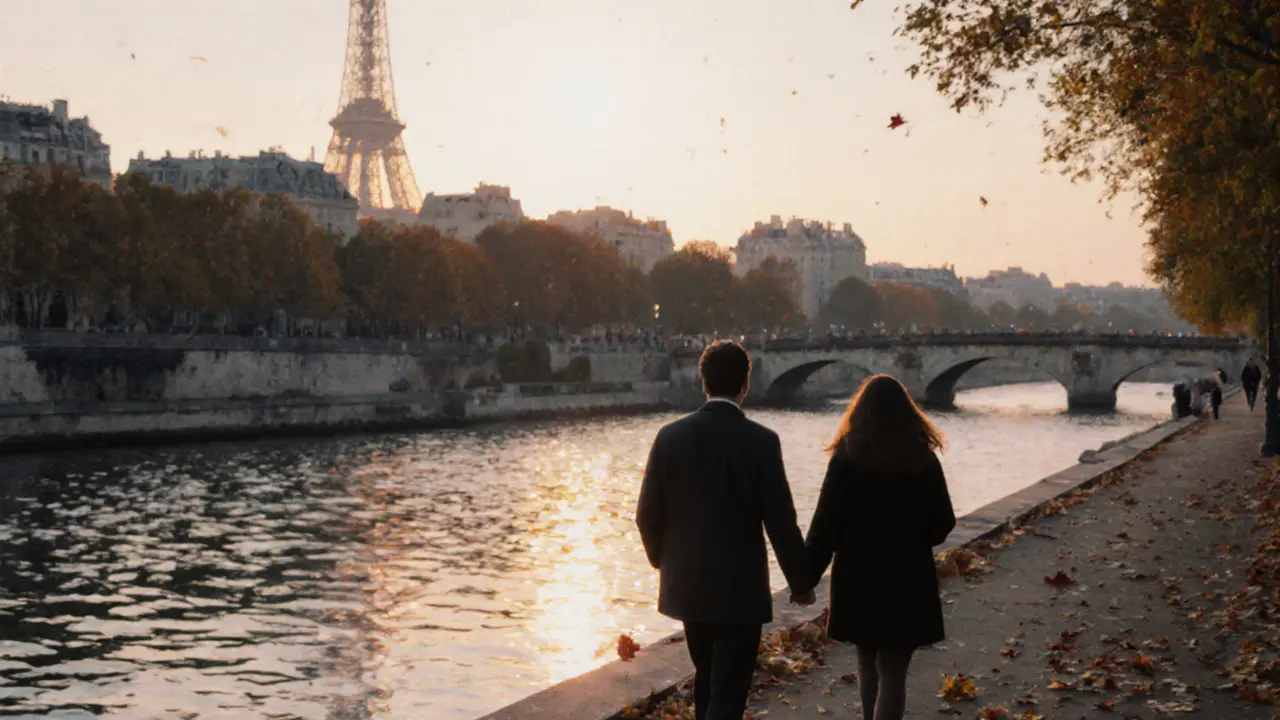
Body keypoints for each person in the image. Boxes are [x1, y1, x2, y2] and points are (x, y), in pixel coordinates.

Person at [636, 340, 816, 720]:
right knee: (729, 690)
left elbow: (647, 514)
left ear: (703, 383)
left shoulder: (669, 438)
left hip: (687, 584)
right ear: (745, 385)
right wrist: (800, 582)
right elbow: (780, 520)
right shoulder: (762, 442)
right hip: (739, 590)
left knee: (707, 677)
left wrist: (664, 562)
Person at [800, 375, 956, 720]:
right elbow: (943, 521)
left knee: (867, 664)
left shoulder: (847, 455)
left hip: (858, 575)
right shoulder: (921, 455)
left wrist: (805, 578)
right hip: (908, 575)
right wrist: (916, 538)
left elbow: (825, 525)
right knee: (894, 674)